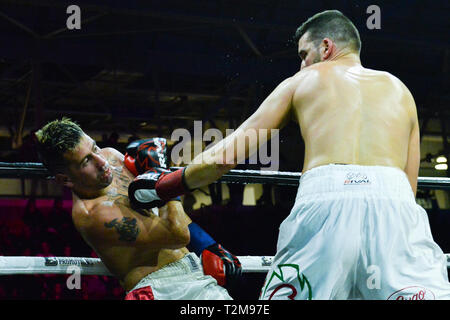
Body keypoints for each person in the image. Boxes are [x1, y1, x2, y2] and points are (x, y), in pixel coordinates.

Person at [132, 10, 450, 300]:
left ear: (326, 47)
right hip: (396, 209)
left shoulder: (303, 80)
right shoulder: (401, 91)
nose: (301, 65)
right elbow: (408, 190)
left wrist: (164, 186)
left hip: (327, 202)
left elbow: (225, 157)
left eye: (304, 54)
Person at [34, 118, 239, 300]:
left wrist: (206, 244)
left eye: (94, 148)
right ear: (65, 179)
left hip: (194, 272)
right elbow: (177, 234)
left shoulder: (111, 156)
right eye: (86, 161)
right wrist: (164, 177)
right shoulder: (92, 214)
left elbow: (158, 205)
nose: (102, 161)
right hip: (158, 290)